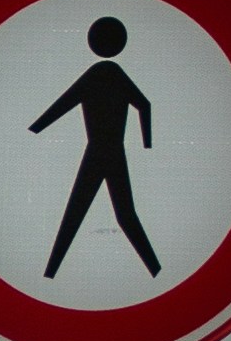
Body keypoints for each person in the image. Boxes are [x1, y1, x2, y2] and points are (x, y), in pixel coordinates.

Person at [32, 14, 161, 278]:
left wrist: (38, 127)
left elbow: (64, 103)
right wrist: (145, 143)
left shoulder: (100, 74)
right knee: (121, 215)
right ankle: (156, 270)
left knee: (77, 214)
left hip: (100, 152)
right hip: (112, 151)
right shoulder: (112, 74)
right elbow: (143, 105)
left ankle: (50, 273)